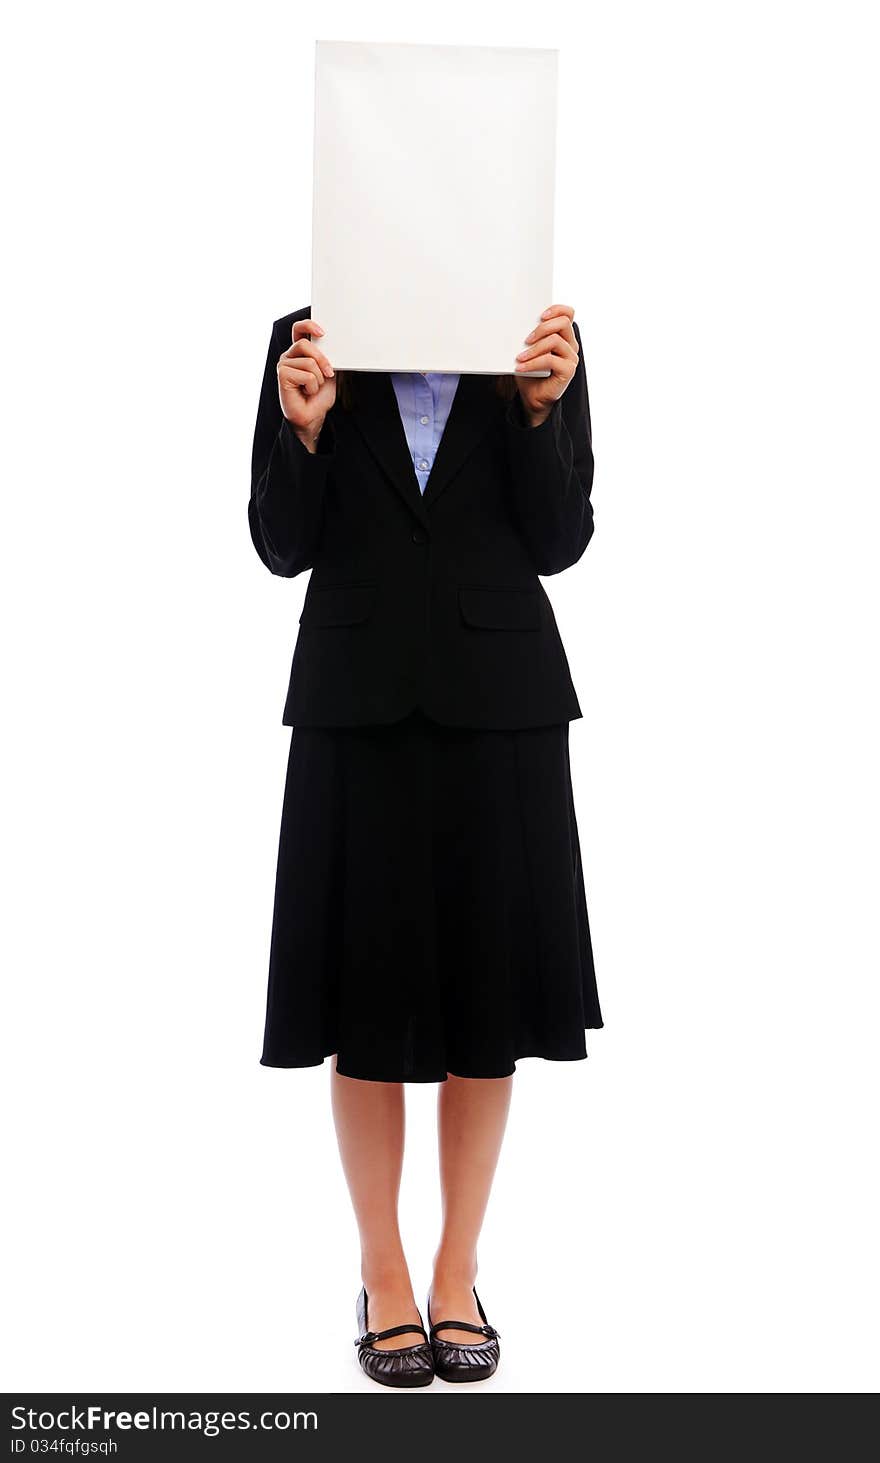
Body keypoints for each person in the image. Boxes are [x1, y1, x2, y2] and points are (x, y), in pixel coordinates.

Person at [248, 302, 602, 1387]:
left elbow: (560, 539)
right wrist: (303, 430)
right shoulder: (304, 334)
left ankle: (458, 1268)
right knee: (364, 993)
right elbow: (278, 542)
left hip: (499, 699)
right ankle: (383, 1266)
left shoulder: (539, 333)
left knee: (484, 995)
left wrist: (541, 410)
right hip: (357, 701)